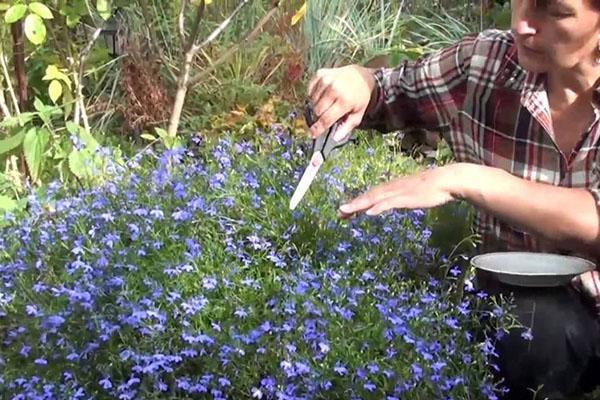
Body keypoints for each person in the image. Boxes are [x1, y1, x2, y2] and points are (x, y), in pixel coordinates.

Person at [306, 0, 600, 398]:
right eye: (522, 1)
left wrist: (466, 178)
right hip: (523, 311)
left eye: (555, 11)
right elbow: (390, 90)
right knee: (534, 328)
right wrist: (358, 83)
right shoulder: (486, 64)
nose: (523, 25)